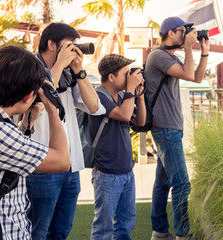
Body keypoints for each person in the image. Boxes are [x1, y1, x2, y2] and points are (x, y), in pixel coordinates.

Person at [0, 45, 70, 239]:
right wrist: (53, 109)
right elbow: (62, 161)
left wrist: (26, 124)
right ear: (28, 96)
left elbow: (2, 156)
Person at [26, 22, 105, 240]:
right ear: (52, 44)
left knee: (60, 231)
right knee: (37, 232)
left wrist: (80, 71)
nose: (74, 51)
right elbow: (39, 93)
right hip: (43, 165)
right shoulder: (28, 66)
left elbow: (94, 107)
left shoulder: (69, 74)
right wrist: (59, 65)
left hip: (70, 166)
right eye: (69, 46)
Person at [145, 17, 210, 240]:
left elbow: (197, 77)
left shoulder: (170, 56)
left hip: (171, 127)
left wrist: (204, 52)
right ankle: (183, 234)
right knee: (182, 182)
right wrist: (190, 49)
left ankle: (160, 232)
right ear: (170, 33)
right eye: (183, 31)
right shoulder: (158, 56)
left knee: (163, 183)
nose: (186, 35)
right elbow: (188, 74)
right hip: (165, 128)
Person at [89, 54, 146, 240]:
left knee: (125, 226)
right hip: (107, 174)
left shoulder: (123, 96)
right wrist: (131, 90)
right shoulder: (98, 96)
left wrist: (140, 94)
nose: (129, 77)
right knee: (104, 228)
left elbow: (140, 122)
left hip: (126, 171)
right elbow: (123, 115)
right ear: (111, 77)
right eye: (126, 73)